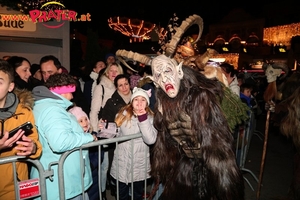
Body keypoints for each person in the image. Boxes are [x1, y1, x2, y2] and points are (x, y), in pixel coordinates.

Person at [148, 54, 244, 199]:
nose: (164, 78)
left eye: (167, 71)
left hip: (211, 165)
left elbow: (219, 142)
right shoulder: (163, 106)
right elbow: (168, 142)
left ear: (179, 72)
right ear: (155, 82)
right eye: (158, 75)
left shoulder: (200, 98)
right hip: (186, 166)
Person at [30, 73, 97, 200]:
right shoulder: (53, 110)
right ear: (63, 90)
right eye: (71, 92)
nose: (72, 96)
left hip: (58, 180)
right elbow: (60, 142)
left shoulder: (43, 105)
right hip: (62, 183)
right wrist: (88, 137)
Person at [0, 59, 42, 200]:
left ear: (10, 86)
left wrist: (33, 148)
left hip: (15, 189)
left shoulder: (24, 111)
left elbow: (36, 144)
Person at [109, 87, 157, 200]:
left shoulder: (151, 118)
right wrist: (106, 130)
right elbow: (116, 134)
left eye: (143, 100)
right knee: (122, 195)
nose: (139, 103)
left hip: (138, 165)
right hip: (122, 163)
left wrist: (143, 118)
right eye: (136, 99)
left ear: (147, 103)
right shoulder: (122, 114)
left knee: (136, 195)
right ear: (132, 101)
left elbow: (150, 140)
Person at [89, 62, 123, 199]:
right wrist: (96, 132)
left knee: (116, 162)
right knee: (104, 165)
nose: (114, 73)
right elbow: (94, 112)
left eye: (117, 71)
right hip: (104, 131)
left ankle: (113, 185)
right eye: (111, 71)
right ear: (107, 73)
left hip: (119, 131)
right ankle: (102, 192)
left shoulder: (121, 88)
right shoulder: (100, 87)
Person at [68, 106, 103, 200]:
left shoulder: (93, 135)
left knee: (94, 194)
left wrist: (91, 164)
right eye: (80, 121)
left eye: (86, 119)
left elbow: (100, 152)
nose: (85, 123)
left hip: (93, 172)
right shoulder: (72, 140)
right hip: (78, 177)